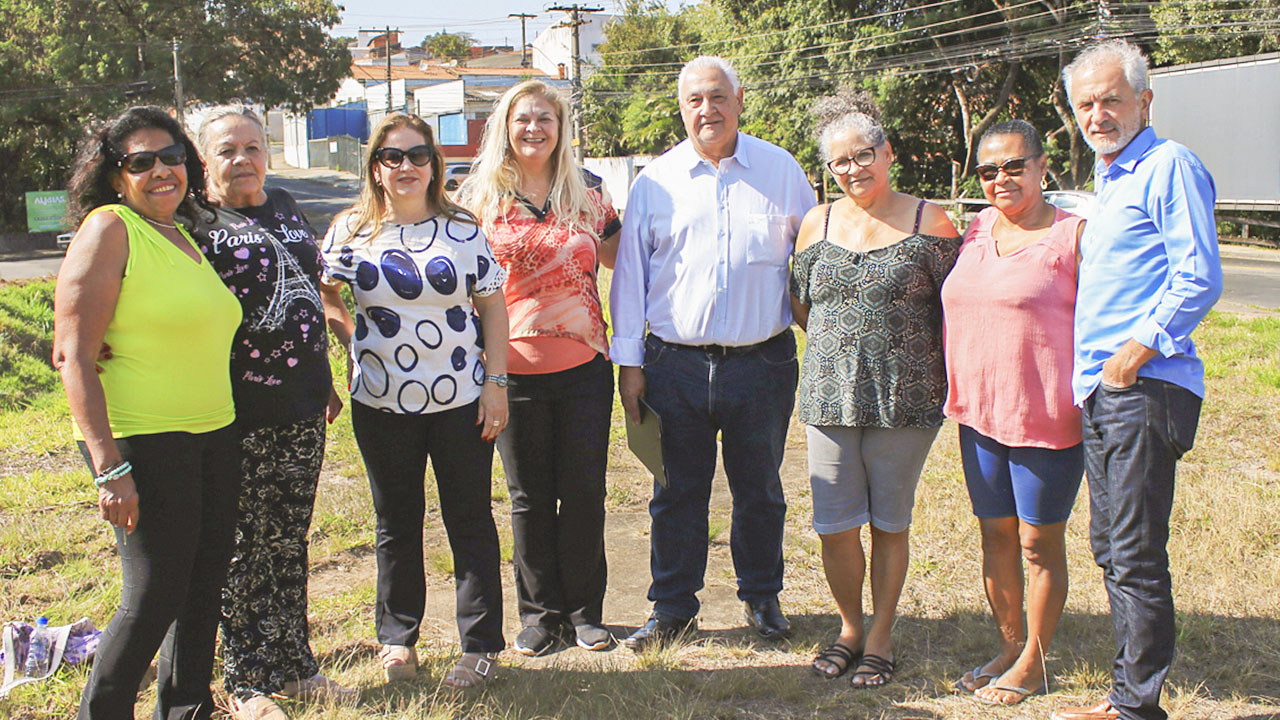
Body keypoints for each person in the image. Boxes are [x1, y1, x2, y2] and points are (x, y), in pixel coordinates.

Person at [609, 55, 815, 651]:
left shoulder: (780, 171)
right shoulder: (654, 182)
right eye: (695, 99)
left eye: (718, 96)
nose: (708, 110)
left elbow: (817, 251)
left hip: (763, 363)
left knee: (761, 488)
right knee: (676, 492)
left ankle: (761, 596)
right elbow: (630, 280)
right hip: (673, 364)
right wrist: (630, 366)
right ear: (682, 107)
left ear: (740, 99)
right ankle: (673, 608)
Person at [1051, 40, 1222, 720]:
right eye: (1085, 104)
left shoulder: (1167, 165)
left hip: (1143, 385)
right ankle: (1129, 697)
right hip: (1104, 390)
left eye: (1111, 100)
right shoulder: (1112, 179)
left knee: (1133, 551)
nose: (1098, 114)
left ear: (1144, 102)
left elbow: (1198, 276)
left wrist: (1134, 352)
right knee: (1113, 546)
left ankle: (1135, 707)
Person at [54, 105, 242, 719]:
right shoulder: (110, 228)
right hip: (144, 439)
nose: (162, 170)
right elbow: (73, 355)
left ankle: (187, 708)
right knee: (154, 593)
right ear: (115, 176)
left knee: (203, 582)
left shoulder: (181, 234)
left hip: (214, 432)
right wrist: (108, 468)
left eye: (172, 156)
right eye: (141, 161)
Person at [318, 113, 510, 689]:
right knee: (395, 523)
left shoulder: (462, 228)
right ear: (375, 167)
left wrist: (496, 384)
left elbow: (492, 307)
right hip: (380, 405)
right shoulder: (350, 229)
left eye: (417, 155)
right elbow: (327, 291)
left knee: (470, 520)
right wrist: (353, 340)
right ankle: (397, 639)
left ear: (435, 163)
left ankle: (479, 646)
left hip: (461, 401)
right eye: (391, 157)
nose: (405, 167)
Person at [188, 106, 355, 719]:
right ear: (204, 161)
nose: (244, 160)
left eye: (253, 147)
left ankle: (294, 664)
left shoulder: (283, 204)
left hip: (303, 402)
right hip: (237, 410)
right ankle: (247, 679)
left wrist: (327, 373)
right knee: (244, 545)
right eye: (228, 150)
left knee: (288, 539)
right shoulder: (195, 220)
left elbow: (310, 289)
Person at [789, 90, 959, 688]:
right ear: (828, 171)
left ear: (888, 153)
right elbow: (802, 304)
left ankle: (881, 636)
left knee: (889, 521)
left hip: (906, 397)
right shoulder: (818, 222)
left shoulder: (930, 221)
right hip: (829, 397)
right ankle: (849, 628)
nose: (853, 169)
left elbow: (954, 306)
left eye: (864, 155)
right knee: (833, 523)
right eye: (840, 162)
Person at [456, 80, 621, 656]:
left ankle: (584, 613)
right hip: (511, 374)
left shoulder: (588, 196)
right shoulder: (475, 203)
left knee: (583, 492)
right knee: (528, 497)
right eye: (523, 118)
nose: (534, 129)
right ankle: (539, 615)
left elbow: (628, 266)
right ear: (504, 125)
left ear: (561, 129)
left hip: (584, 371)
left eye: (546, 119)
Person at [941, 120, 1085, 705]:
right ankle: (1009, 644)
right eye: (987, 170)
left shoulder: (1076, 236)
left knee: (1036, 543)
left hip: (1047, 418)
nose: (1000, 179)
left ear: (1042, 165)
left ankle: (1035, 661)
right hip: (978, 414)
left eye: (1013, 166)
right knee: (995, 535)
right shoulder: (976, 229)